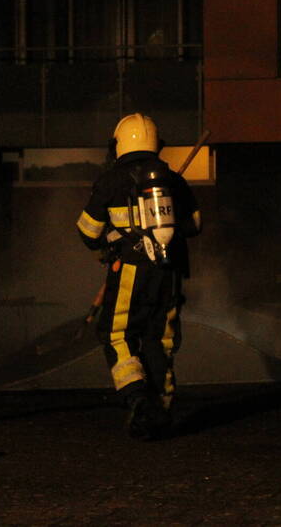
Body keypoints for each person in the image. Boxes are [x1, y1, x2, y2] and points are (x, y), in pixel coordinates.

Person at [75, 114, 201, 440]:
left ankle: (136, 397)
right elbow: (194, 225)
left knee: (118, 334)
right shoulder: (172, 180)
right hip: (169, 272)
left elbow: (87, 231)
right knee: (163, 340)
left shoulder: (110, 181)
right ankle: (163, 407)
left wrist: (111, 242)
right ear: (155, 143)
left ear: (119, 144)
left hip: (130, 269)